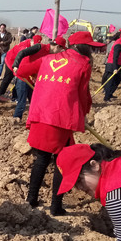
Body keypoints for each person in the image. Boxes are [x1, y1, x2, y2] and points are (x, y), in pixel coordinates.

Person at [24, 31, 103, 215]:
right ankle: (55, 206)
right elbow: (83, 94)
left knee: (41, 159)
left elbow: (21, 71)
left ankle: (31, 200)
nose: (91, 50)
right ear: (83, 47)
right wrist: (83, 114)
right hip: (60, 118)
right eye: (90, 46)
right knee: (62, 161)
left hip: (41, 114)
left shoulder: (47, 59)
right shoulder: (83, 63)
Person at [10, 35, 67, 123]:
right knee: (22, 101)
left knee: (34, 100)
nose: (60, 52)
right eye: (61, 49)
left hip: (31, 78)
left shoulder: (51, 56)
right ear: (57, 46)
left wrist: (35, 76)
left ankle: (35, 119)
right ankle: (16, 119)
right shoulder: (39, 47)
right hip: (23, 76)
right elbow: (22, 53)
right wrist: (15, 65)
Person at [0, 34, 42, 103]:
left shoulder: (32, 46)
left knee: (17, 80)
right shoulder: (25, 47)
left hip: (17, 62)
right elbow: (22, 58)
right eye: (34, 44)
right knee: (8, 78)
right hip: (11, 61)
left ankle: (15, 97)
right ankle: (0, 95)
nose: (34, 47)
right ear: (32, 41)